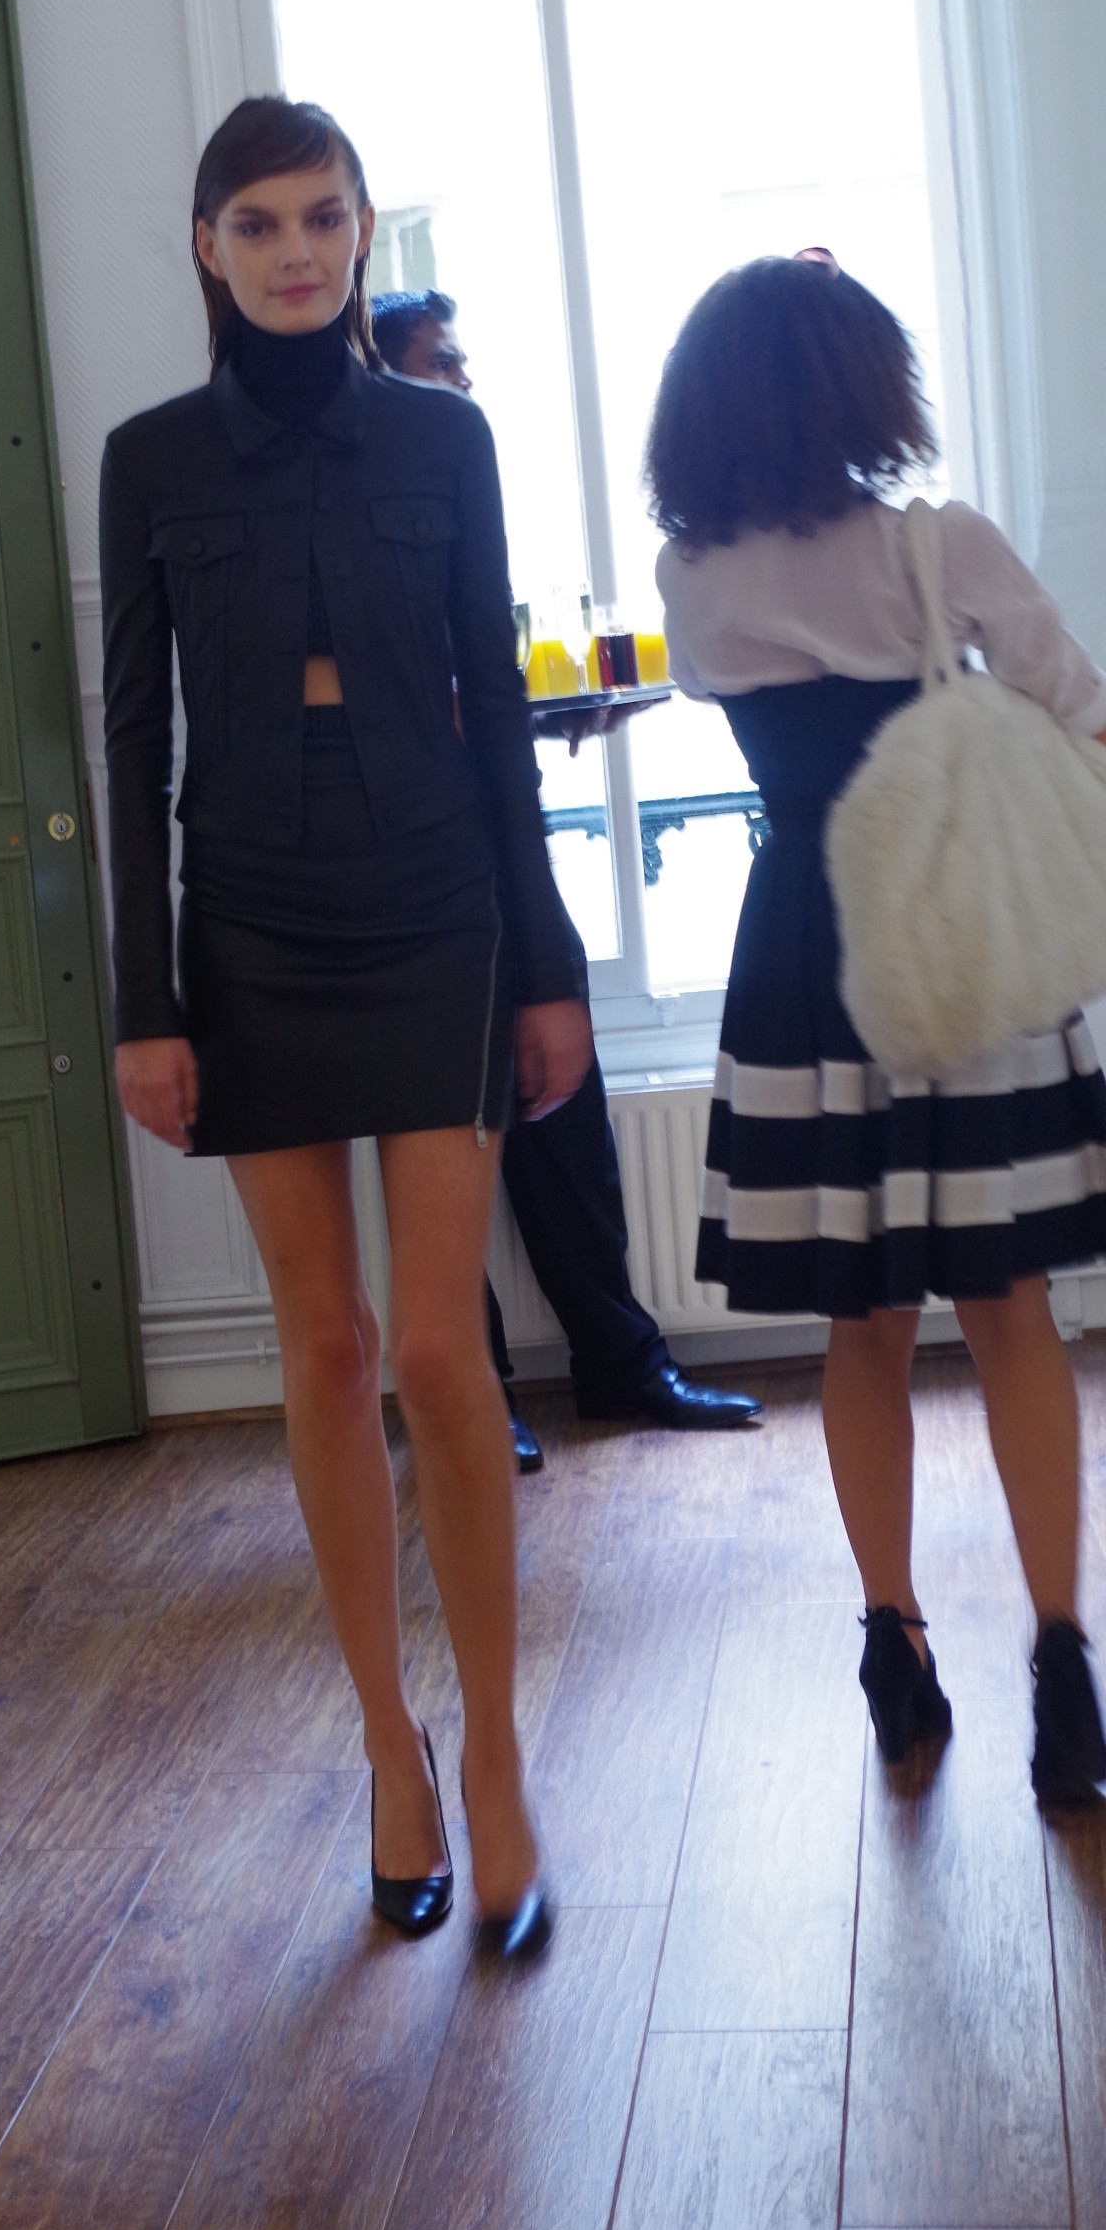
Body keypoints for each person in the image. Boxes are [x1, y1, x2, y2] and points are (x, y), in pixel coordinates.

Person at [102, 97, 584, 1950]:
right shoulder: (148, 460)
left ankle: (499, 1750)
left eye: (323, 216)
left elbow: (497, 703)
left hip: (436, 904)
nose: (295, 250)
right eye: (258, 222)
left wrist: (548, 963)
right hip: (247, 924)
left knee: (441, 1354)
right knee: (323, 1345)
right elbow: (131, 740)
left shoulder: (446, 438)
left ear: (363, 230)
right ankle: (391, 1749)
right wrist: (143, 1001)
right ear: (207, 246)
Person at [650, 250, 1106, 1802]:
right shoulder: (941, 545)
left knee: (862, 1328)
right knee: (1013, 1311)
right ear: (860, 384)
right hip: (955, 935)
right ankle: (1064, 1662)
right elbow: (1080, 706)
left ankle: (893, 1644)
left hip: (802, 943)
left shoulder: (691, 579)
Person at [370, 287, 761, 1467]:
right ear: (384, 377)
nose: (464, 381)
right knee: (430, 1145)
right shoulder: (355, 528)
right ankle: (467, 1395)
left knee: (565, 1118)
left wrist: (549, 713)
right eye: (443, 362)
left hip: (506, 860)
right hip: (396, 882)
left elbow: (480, 699)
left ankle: (621, 1366)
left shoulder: (460, 511)